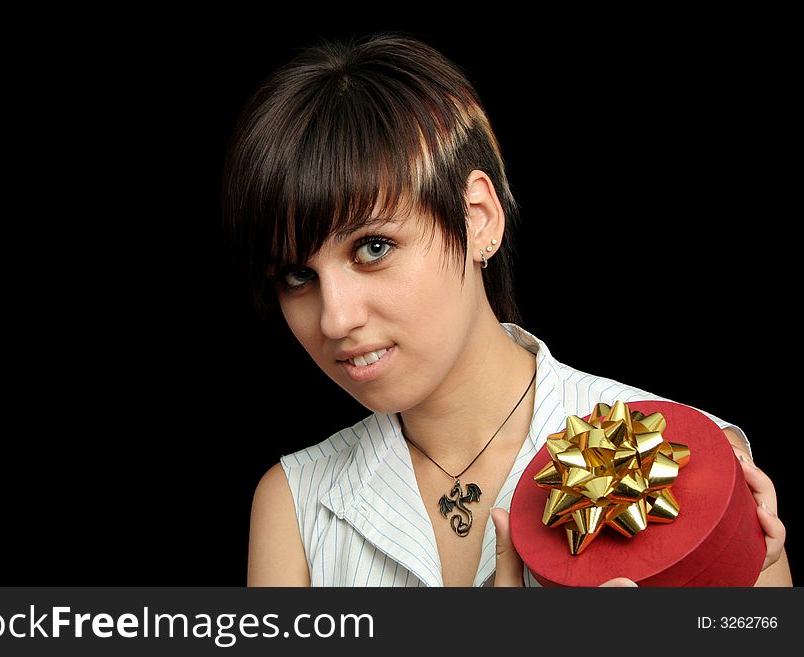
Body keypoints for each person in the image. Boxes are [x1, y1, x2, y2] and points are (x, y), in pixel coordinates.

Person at [221, 33, 790, 587]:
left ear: (477, 219)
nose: (334, 320)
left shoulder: (686, 458)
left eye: (373, 248)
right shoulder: (297, 503)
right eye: (297, 276)